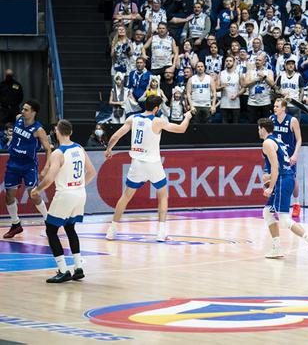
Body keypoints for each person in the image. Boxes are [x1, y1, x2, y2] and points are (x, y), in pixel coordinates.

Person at [104, 95, 192, 242]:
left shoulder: (132, 119)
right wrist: (188, 116)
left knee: (125, 197)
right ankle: (161, 232)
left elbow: (115, 136)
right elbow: (181, 129)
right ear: (156, 108)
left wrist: (108, 149)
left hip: (137, 163)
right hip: (153, 164)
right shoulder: (158, 121)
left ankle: (111, 231)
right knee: (163, 195)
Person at [30, 120, 95, 283]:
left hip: (66, 194)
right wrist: (78, 185)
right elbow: (92, 172)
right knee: (70, 227)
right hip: (80, 193)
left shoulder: (58, 153)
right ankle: (78, 267)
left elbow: (50, 178)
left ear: (56, 132)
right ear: (70, 132)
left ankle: (63, 269)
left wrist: (37, 190)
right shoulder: (79, 148)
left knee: (51, 230)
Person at [258, 118, 308, 259]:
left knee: (284, 219)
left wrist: (270, 187)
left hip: (283, 180)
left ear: (263, 128)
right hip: (287, 177)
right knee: (267, 212)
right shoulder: (277, 140)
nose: (258, 131)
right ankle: (277, 247)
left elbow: (276, 167)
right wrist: (269, 177)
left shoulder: (267, 143)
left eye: (258, 128)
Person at [2, 100, 52, 239]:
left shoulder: (38, 130)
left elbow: (48, 149)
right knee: (9, 195)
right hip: (13, 163)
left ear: (33, 112)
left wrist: (46, 167)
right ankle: (16, 224)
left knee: (34, 195)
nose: (22, 111)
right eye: (23, 108)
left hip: (29, 166)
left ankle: (49, 221)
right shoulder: (18, 119)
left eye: (26, 109)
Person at [271, 98, 302, 218]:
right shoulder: (271, 119)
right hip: (276, 154)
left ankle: (296, 204)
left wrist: (295, 155)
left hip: (289, 155)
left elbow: (299, 139)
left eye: (277, 106)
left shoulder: (292, 120)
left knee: (292, 179)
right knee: (274, 178)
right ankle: (276, 205)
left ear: (283, 108)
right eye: (274, 106)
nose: (274, 108)